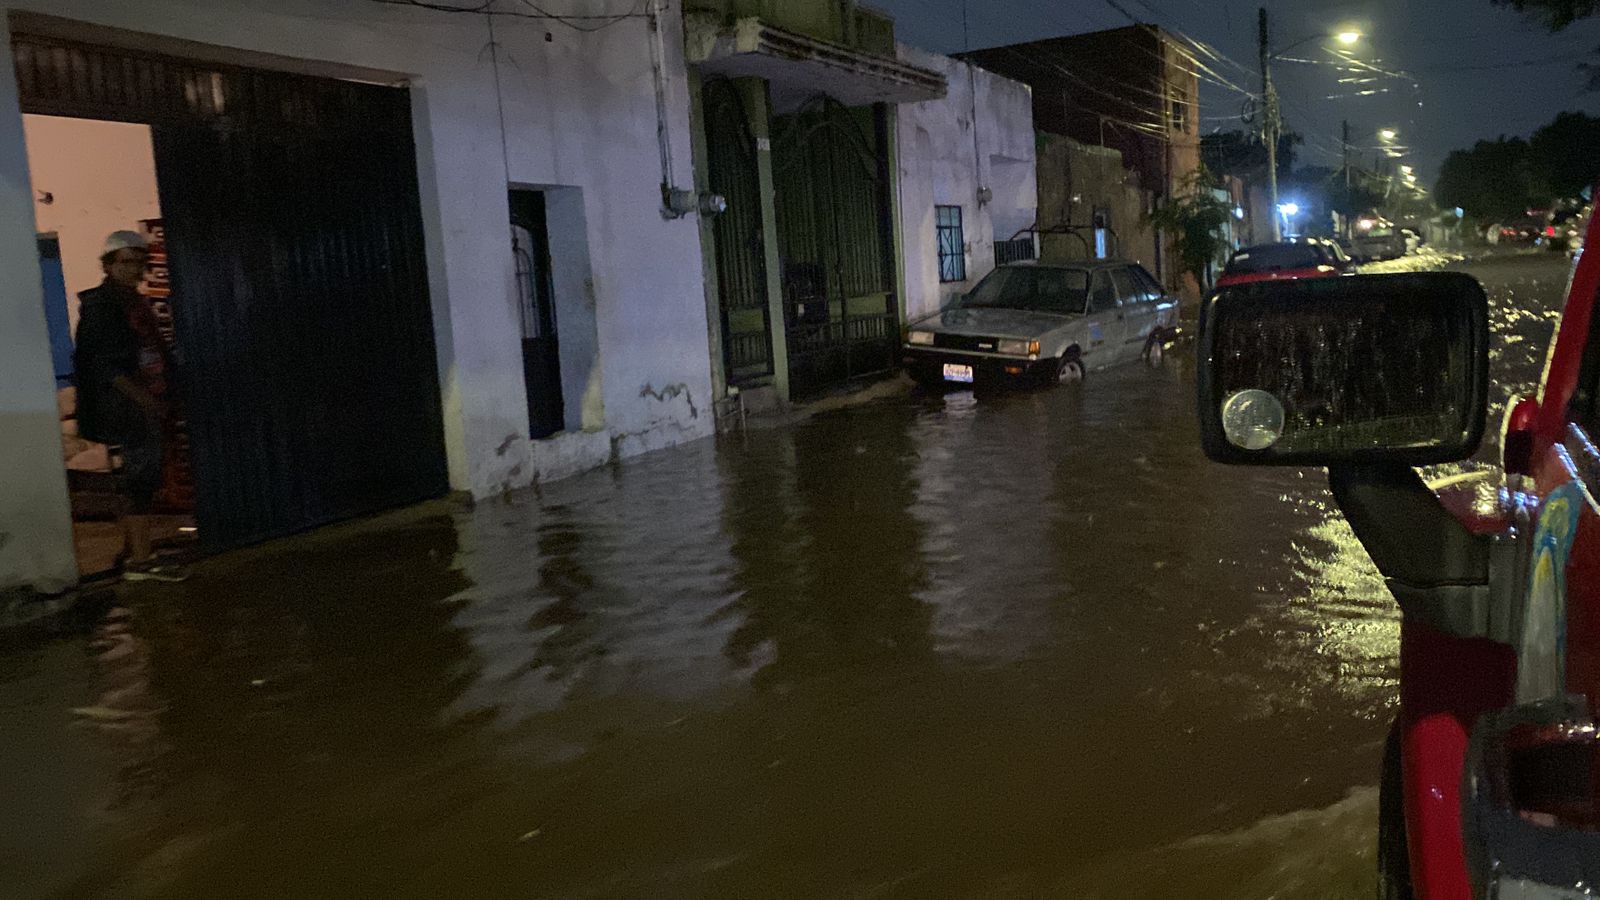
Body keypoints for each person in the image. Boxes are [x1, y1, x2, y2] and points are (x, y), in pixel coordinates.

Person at [73, 230, 185, 581]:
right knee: (140, 483)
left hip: (141, 403)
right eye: (127, 261)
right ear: (109, 265)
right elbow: (107, 368)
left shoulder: (131, 302)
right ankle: (142, 561)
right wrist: (147, 402)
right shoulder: (103, 307)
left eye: (140, 261)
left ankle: (133, 551)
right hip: (128, 408)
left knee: (136, 482)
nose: (135, 268)